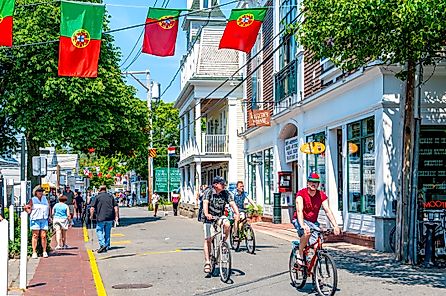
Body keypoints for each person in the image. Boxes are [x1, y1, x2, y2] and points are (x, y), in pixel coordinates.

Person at [292, 172, 341, 266]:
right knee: (307, 232)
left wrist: (335, 225)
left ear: (318, 184)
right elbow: (299, 211)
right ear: (307, 183)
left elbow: (327, 210)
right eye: (311, 182)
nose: (313, 184)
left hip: (313, 222)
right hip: (300, 219)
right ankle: (300, 252)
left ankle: (315, 271)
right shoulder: (301, 194)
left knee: (316, 246)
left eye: (316, 182)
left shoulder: (321, 195)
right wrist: (302, 225)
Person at [202, 176, 239, 274]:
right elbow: (205, 203)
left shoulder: (225, 193)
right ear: (215, 184)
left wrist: (237, 213)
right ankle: (207, 262)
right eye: (222, 184)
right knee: (208, 239)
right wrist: (206, 214)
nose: (224, 185)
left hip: (219, 216)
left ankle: (223, 243)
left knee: (227, 224)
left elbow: (232, 203)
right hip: (209, 217)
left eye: (224, 184)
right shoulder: (208, 192)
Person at [90, 185, 119, 253]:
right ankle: (107, 245)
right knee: (107, 232)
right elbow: (116, 207)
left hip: (100, 217)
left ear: (99, 190)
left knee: (99, 230)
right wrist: (116, 216)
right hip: (110, 217)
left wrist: (91, 216)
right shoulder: (111, 196)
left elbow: (92, 208)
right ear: (106, 189)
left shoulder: (97, 197)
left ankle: (102, 245)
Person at [24, 185, 50, 259]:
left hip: (44, 218)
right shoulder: (33, 199)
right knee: (35, 235)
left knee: (43, 235)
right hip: (35, 219)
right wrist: (28, 210)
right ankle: (34, 252)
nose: (41, 193)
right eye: (39, 191)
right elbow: (28, 207)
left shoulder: (45, 199)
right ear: (35, 192)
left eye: (42, 191)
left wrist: (50, 216)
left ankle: (44, 251)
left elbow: (49, 207)